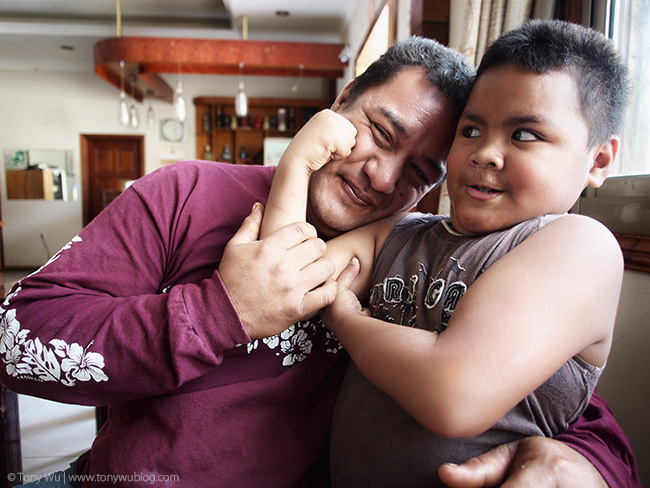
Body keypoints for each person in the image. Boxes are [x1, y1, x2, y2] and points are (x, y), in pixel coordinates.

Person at [0, 37, 637, 488]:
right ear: (342, 99)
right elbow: (14, 338)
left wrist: (588, 464)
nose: (382, 177)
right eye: (380, 134)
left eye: (420, 171)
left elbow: (542, 392)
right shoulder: (185, 193)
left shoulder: (412, 249)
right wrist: (221, 310)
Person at [260, 21, 640, 487]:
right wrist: (296, 165)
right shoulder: (399, 233)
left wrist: (345, 319)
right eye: (471, 129)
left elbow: (452, 393)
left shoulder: (580, 247)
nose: (485, 154)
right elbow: (283, 280)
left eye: (524, 135)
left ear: (599, 161)